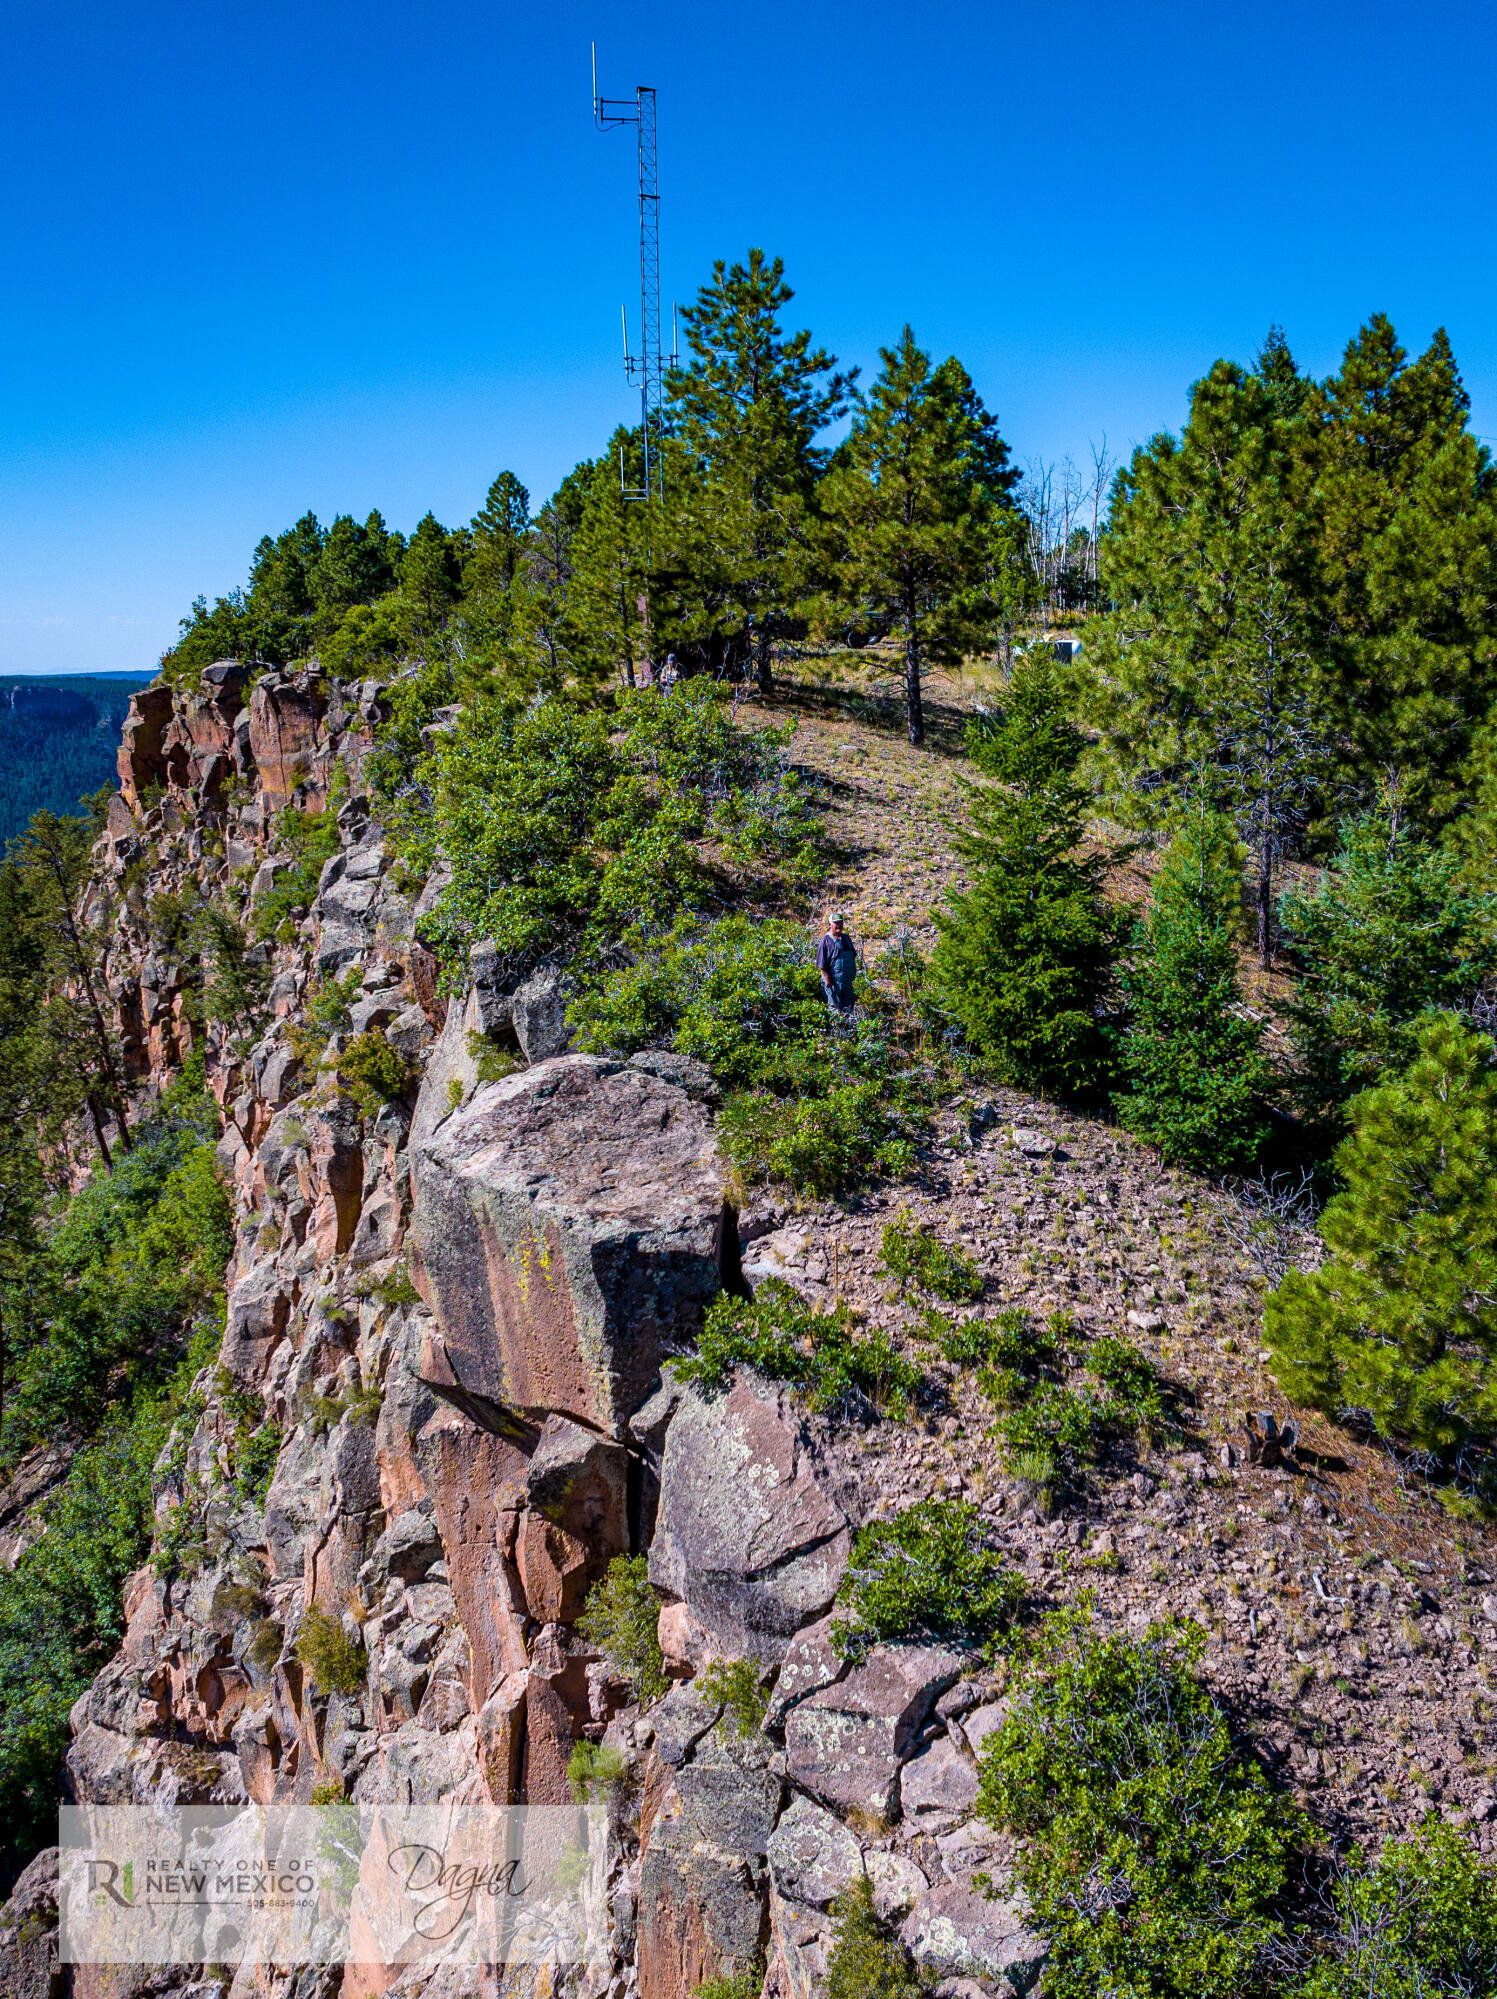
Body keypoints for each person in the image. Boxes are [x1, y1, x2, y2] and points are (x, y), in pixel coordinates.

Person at [817, 911, 857, 1019]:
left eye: (840, 922)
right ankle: (837, 1034)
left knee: (849, 1008)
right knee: (835, 1010)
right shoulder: (825, 940)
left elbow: (853, 955)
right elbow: (821, 964)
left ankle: (849, 1033)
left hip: (847, 982)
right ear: (830, 924)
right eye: (836, 923)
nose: (839, 925)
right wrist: (827, 980)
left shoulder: (846, 938)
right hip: (833, 983)